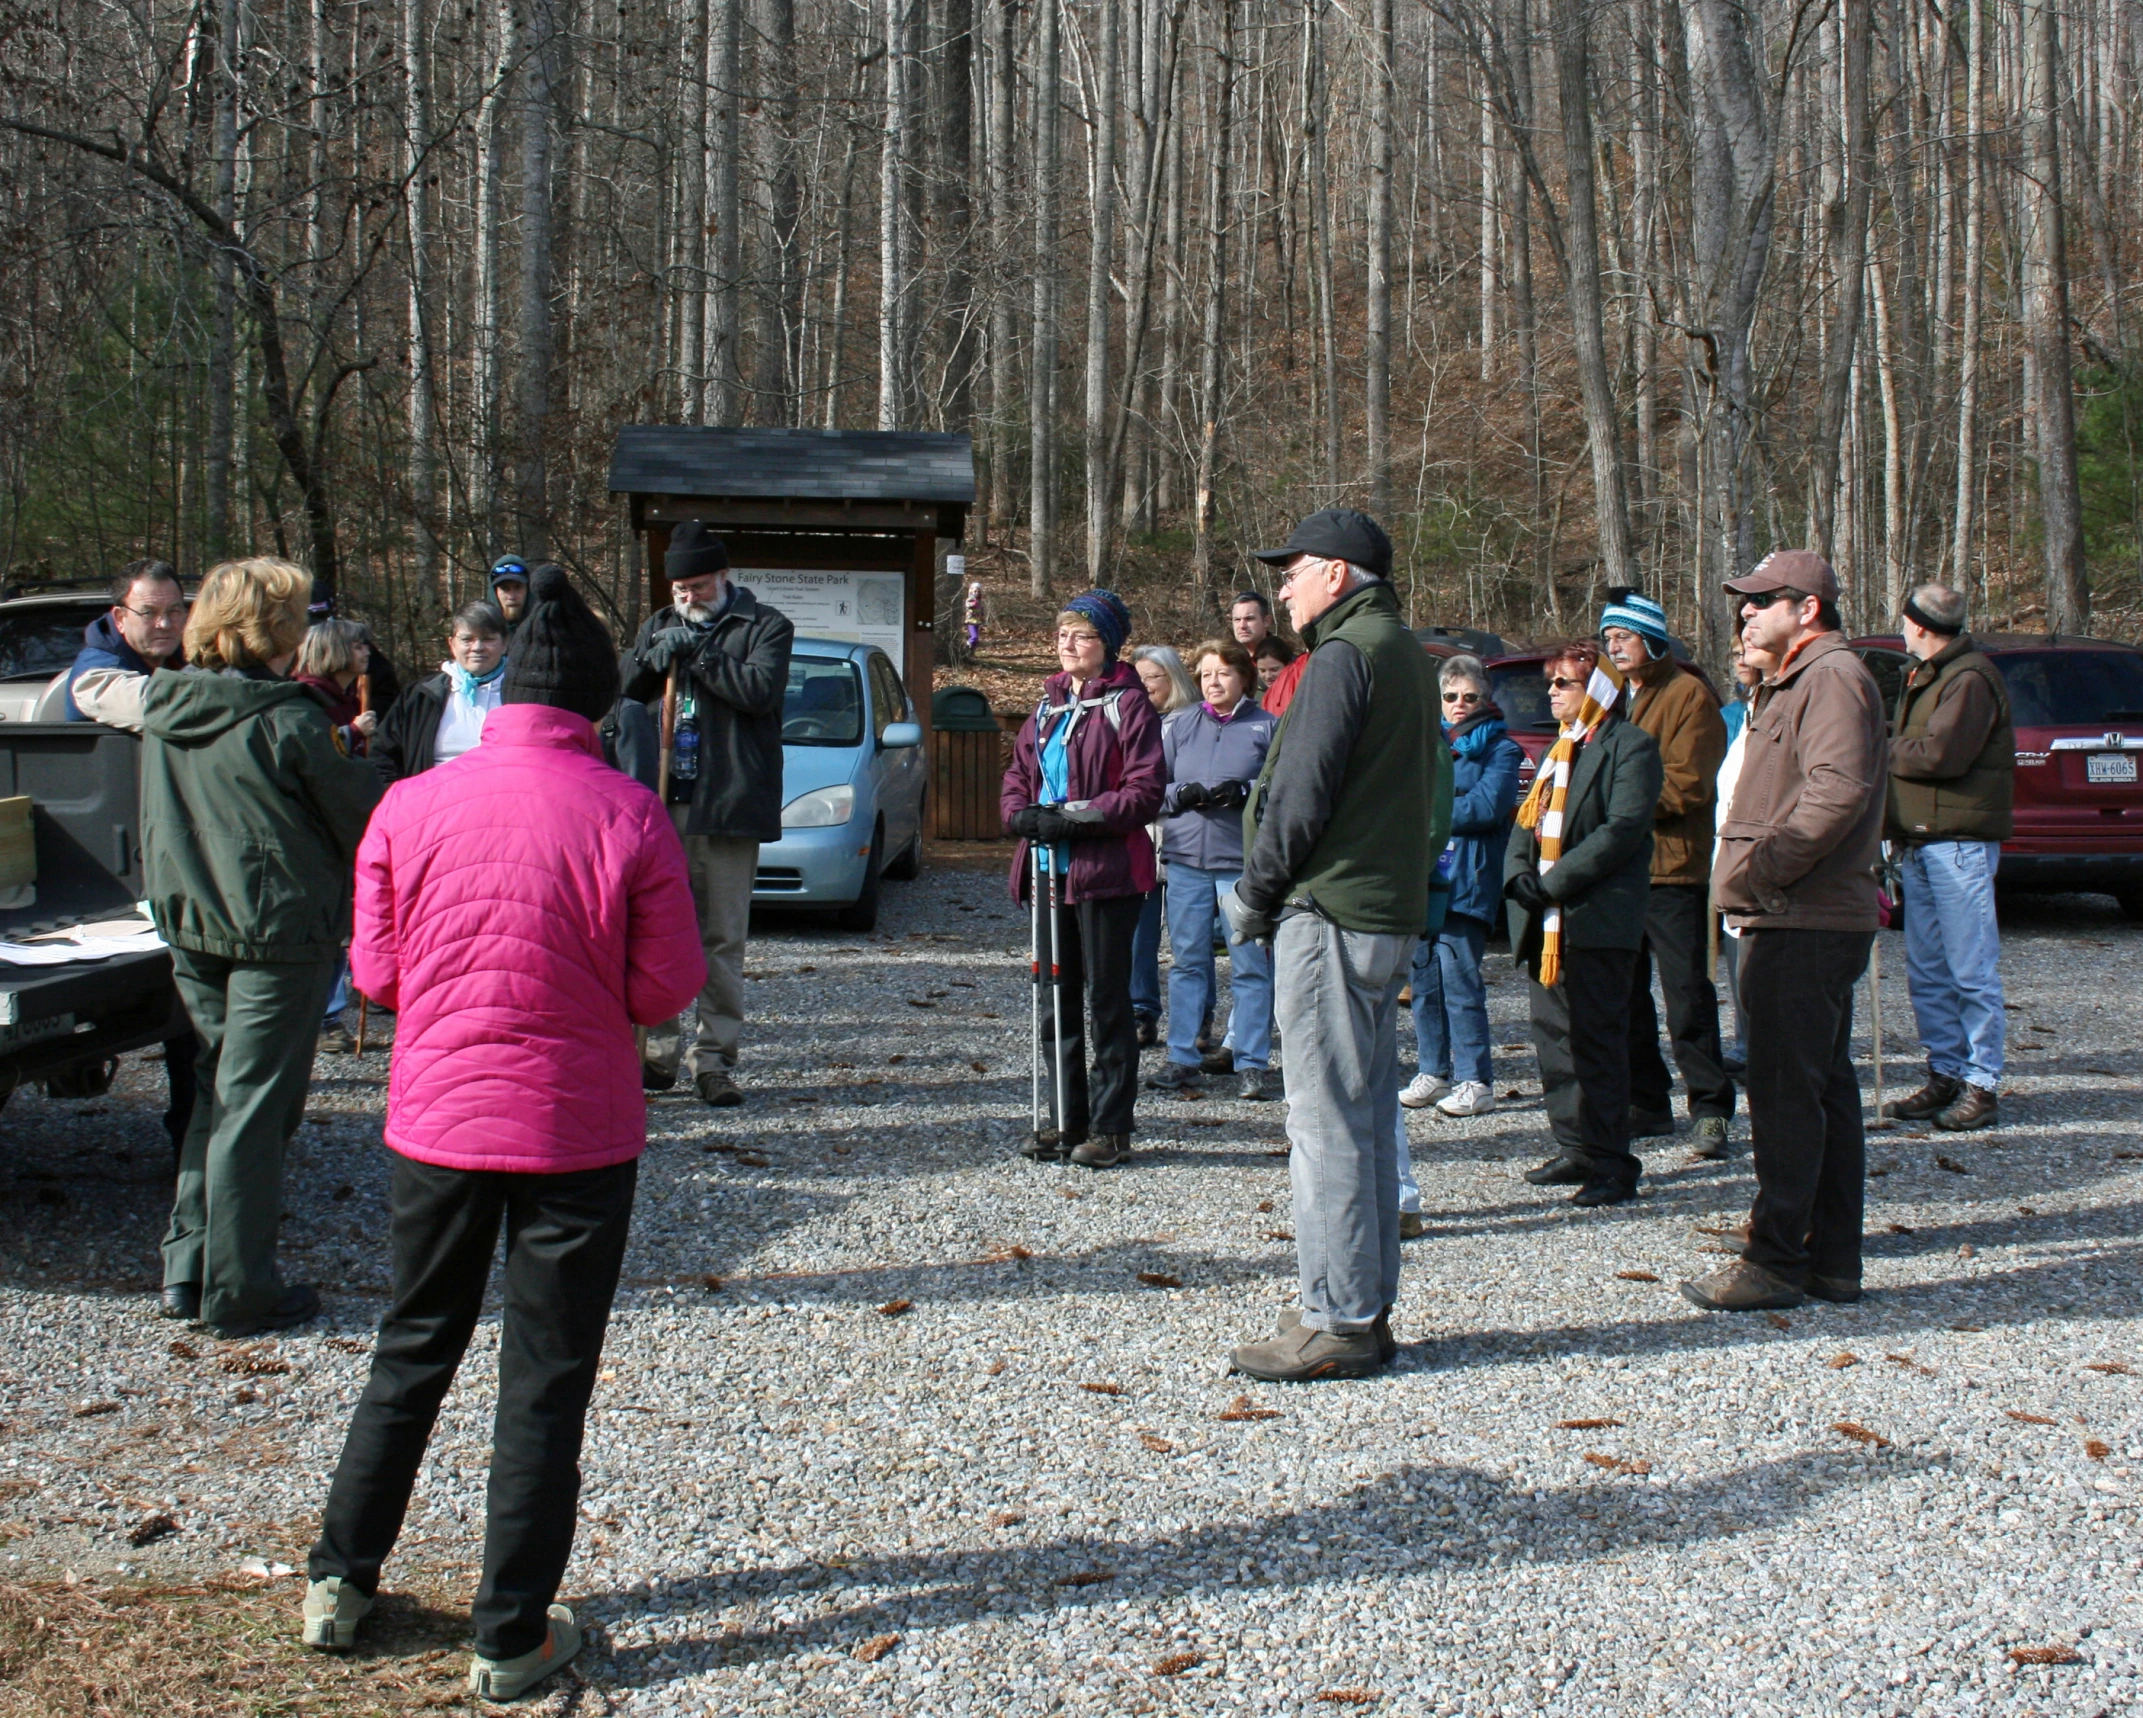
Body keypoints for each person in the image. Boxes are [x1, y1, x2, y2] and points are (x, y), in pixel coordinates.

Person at [303, 565, 704, 1701]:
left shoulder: (410, 801)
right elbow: (664, 985)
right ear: (590, 706)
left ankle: (339, 1579)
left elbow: (374, 973)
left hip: (435, 1119)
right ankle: (509, 1631)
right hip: (576, 1131)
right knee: (545, 1373)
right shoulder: (627, 809)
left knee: (412, 1340)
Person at [1221, 510, 1448, 1381]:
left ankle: (1339, 1317)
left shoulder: (1345, 657)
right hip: (1378, 908)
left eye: (1293, 571)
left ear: (1338, 574)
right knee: (1364, 1113)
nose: (1280, 588)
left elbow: (1299, 795)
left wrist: (1254, 892)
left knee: (1324, 1123)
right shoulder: (1396, 653)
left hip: (1331, 908)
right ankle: (1361, 1302)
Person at [141, 558, 382, 1337]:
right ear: (276, 630)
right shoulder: (288, 720)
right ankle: (240, 1285)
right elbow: (361, 821)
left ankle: (191, 1263)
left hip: (194, 919)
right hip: (276, 931)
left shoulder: (165, 704)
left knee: (219, 1091)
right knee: (255, 1107)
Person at [1684, 550, 1885, 1314]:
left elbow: (1836, 791)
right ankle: (1831, 1263)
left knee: (1784, 1098)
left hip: (1799, 916)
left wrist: (1764, 870)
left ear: (1807, 608)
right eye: (1744, 600)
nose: (1744, 612)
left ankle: (1774, 1263)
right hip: (1796, 913)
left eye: (1762, 600)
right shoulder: (1797, 680)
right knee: (1821, 1090)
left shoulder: (1829, 679)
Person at [621, 521, 795, 1107]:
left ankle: (714, 1059)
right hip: (663, 803)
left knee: (721, 938)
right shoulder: (659, 625)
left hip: (728, 804)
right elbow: (624, 691)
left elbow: (759, 692)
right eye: (679, 590)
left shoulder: (765, 625)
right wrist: (652, 658)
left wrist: (702, 653)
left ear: (724, 577)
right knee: (658, 931)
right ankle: (657, 1055)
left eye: (697, 586)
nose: (688, 598)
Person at [1001, 589, 1166, 1168]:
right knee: (1055, 1000)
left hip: (1107, 875)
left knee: (1108, 1002)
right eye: (1062, 634)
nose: (1068, 644)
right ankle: (1065, 1119)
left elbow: (1144, 791)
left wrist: (1077, 817)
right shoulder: (1046, 706)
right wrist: (1021, 815)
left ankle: (1111, 1124)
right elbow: (1018, 773)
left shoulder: (1129, 705)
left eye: (1082, 635)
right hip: (1049, 873)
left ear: (1107, 646)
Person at [1504, 643, 1663, 1208]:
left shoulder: (1632, 748)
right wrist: (1519, 875)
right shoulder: (1557, 752)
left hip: (1596, 920)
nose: (1551, 694)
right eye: (1551, 685)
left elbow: (1621, 831)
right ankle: (1575, 1146)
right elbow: (1527, 823)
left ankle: (1613, 1161)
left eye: (1563, 684)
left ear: (1597, 690)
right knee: (1554, 1042)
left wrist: (1552, 883)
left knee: (1598, 1045)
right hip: (1548, 924)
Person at [1598, 592, 1735, 1158]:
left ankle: (1710, 1108)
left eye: (1623, 638)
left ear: (1651, 640)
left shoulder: (1689, 696)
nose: (1613, 648)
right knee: (1626, 997)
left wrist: (1615, 799)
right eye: (1608, 640)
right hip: (1620, 871)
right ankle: (1647, 1102)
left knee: (1686, 996)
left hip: (1674, 870)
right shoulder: (1611, 697)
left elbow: (1691, 785)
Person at [1879, 582, 2014, 1133]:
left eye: (1906, 621)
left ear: (1920, 626)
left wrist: (1874, 741)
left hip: (1959, 843)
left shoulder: (1970, 679)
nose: (1902, 629)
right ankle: (1946, 1072)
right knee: (1928, 970)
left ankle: (1982, 1083)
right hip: (1921, 839)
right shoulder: (1930, 675)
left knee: (1970, 969)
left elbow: (1942, 754)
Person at [1149, 638, 1278, 1101]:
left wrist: (1245, 793)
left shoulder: (1268, 727)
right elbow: (1150, 787)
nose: (1213, 682)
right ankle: (1182, 1056)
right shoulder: (1180, 725)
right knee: (1187, 963)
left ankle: (1250, 1062)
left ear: (1244, 676)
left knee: (1249, 965)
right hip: (1185, 861)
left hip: (1240, 866)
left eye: (1222, 673)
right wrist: (1177, 796)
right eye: (1205, 674)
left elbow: (1281, 791)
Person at [1402, 654, 1523, 1118]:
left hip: (1468, 879)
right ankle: (1433, 1070)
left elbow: (1487, 808)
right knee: (1423, 979)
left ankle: (1476, 1078)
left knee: (1460, 981)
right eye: (1449, 696)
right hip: (1423, 875)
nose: (1458, 705)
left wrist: (1430, 809)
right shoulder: (1425, 743)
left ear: (1486, 700)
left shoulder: (1503, 750)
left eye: (1469, 697)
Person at [1129, 646, 1200, 1049]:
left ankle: (1197, 1021)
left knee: (1190, 937)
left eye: (1150, 678)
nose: (1142, 686)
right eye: (1137, 679)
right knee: (1139, 932)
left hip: (1187, 837)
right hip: (1142, 837)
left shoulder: (1193, 721)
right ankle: (1141, 1009)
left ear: (1172, 679)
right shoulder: (1133, 722)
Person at [371, 602, 510, 785]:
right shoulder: (422, 696)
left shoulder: (523, 697)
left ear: (505, 643)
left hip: (503, 804)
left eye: (488, 639)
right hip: (432, 805)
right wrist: (400, 801)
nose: (477, 647)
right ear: (452, 644)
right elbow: (381, 755)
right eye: (467, 639)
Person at [1715, 645, 1762, 1075]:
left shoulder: (1781, 707)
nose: (1740, 658)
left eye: (1747, 650)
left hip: (1766, 852)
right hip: (1727, 850)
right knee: (1737, 958)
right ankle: (1747, 1043)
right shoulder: (1730, 716)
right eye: (1734, 652)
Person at [65, 559, 187, 720]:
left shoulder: (183, 658)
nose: (165, 624)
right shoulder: (96, 677)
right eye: (148, 613)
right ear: (120, 619)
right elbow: (168, 710)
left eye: (174, 611)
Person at [292, 619, 380, 757]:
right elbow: (314, 751)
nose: (367, 653)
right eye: (358, 647)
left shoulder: (350, 699)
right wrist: (354, 732)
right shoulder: (308, 698)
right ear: (335, 652)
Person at [489, 555, 532, 632]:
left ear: (528, 589)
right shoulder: (482, 633)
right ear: (495, 592)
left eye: (518, 587)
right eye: (505, 589)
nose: (512, 597)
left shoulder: (545, 632)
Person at [1253, 635, 1299, 700]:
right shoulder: (1253, 695)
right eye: (1262, 671)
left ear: (1288, 665)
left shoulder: (1299, 692)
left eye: (1274, 670)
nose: (1268, 676)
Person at [964, 578, 987, 651]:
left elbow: (981, 611)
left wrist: (984, 620)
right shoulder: (970, 599)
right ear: (971, 591)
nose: (976, 593)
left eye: (978, 591)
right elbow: (967, 605)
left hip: (977, 621)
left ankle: (971, 650)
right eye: (975, 591)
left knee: (976, 640)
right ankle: (967, 643)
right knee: (974, 637)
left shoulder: (979, 601)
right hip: (971, 621)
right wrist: (973, 604)